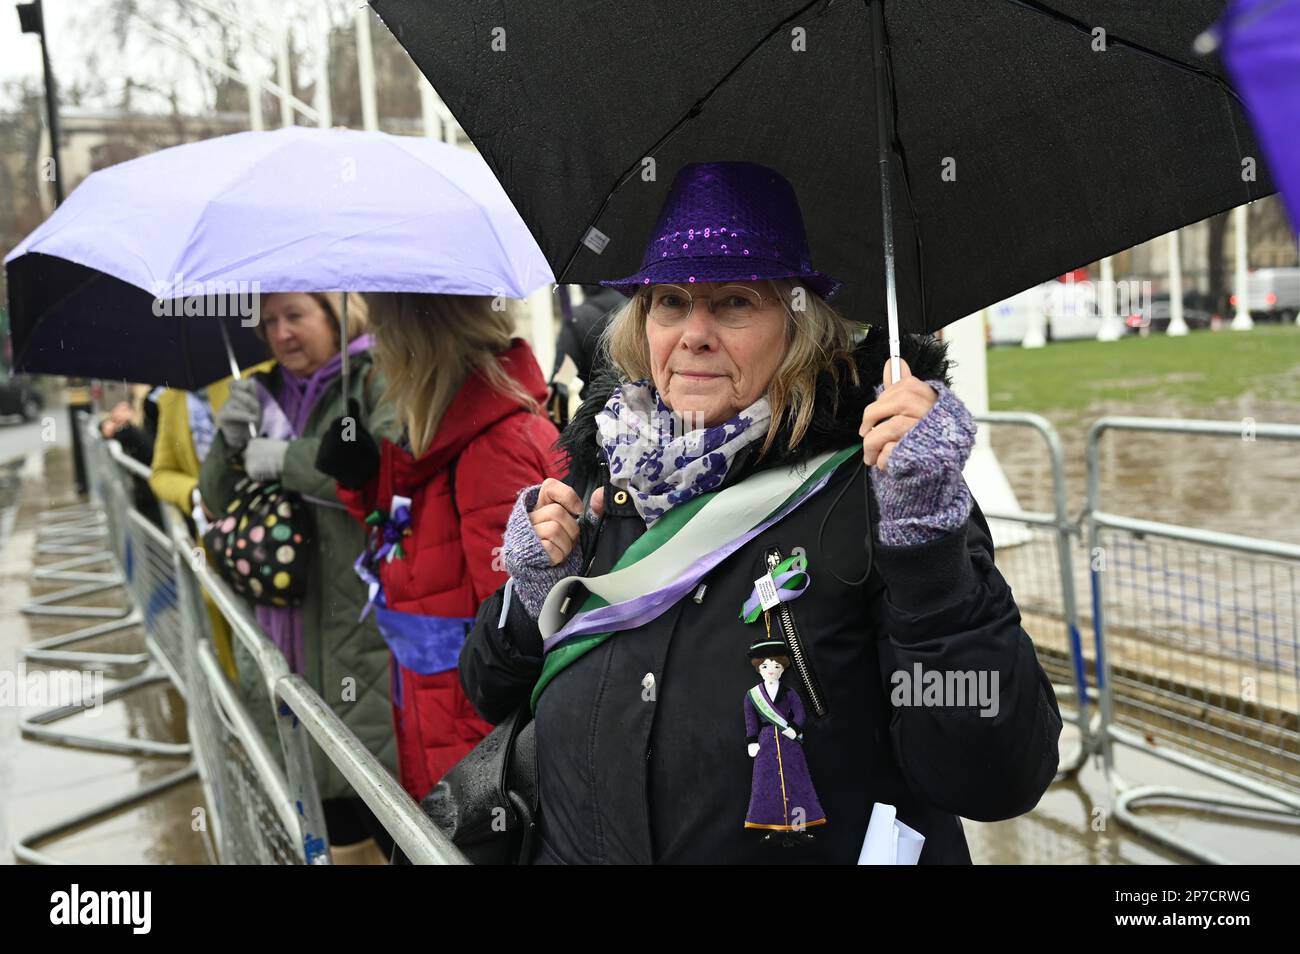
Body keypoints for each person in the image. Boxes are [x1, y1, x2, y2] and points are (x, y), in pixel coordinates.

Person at [461, 161, 1062, 864]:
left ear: (797, 324)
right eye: (671, 301)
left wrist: (929, 556)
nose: (694, 333)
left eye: (736, 301)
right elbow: (489, 690)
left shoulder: (885, 491)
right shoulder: (608, 478)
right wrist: (531, 593)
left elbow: (995, 775)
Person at [315, 292, 566, 801]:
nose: (380, 353)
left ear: (416, 343)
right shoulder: (449, 436)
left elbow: (516, 641)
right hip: (441, 722)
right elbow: (433, 544)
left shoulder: (492, 451)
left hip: (475, 749)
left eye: (386, 334)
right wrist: (367, 481)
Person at [199, 292, 398, 864]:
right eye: (269, 324)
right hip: (286, 629)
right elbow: (217, 500)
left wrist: (282, 459)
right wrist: (229, 442)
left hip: (356, 626)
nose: (281, 334)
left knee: (379, 794)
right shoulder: (261, 391)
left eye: (295, 316)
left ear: (335, 314)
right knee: (325, 807)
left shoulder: (370, 379)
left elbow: (378, 468)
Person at [149, 369, 272, 680]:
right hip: (216, 541)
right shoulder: (171, 397)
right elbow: (161, 473)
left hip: (266, 533)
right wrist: (194, 494)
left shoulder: (247, 378)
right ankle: (242, 710)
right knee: (227, 625)